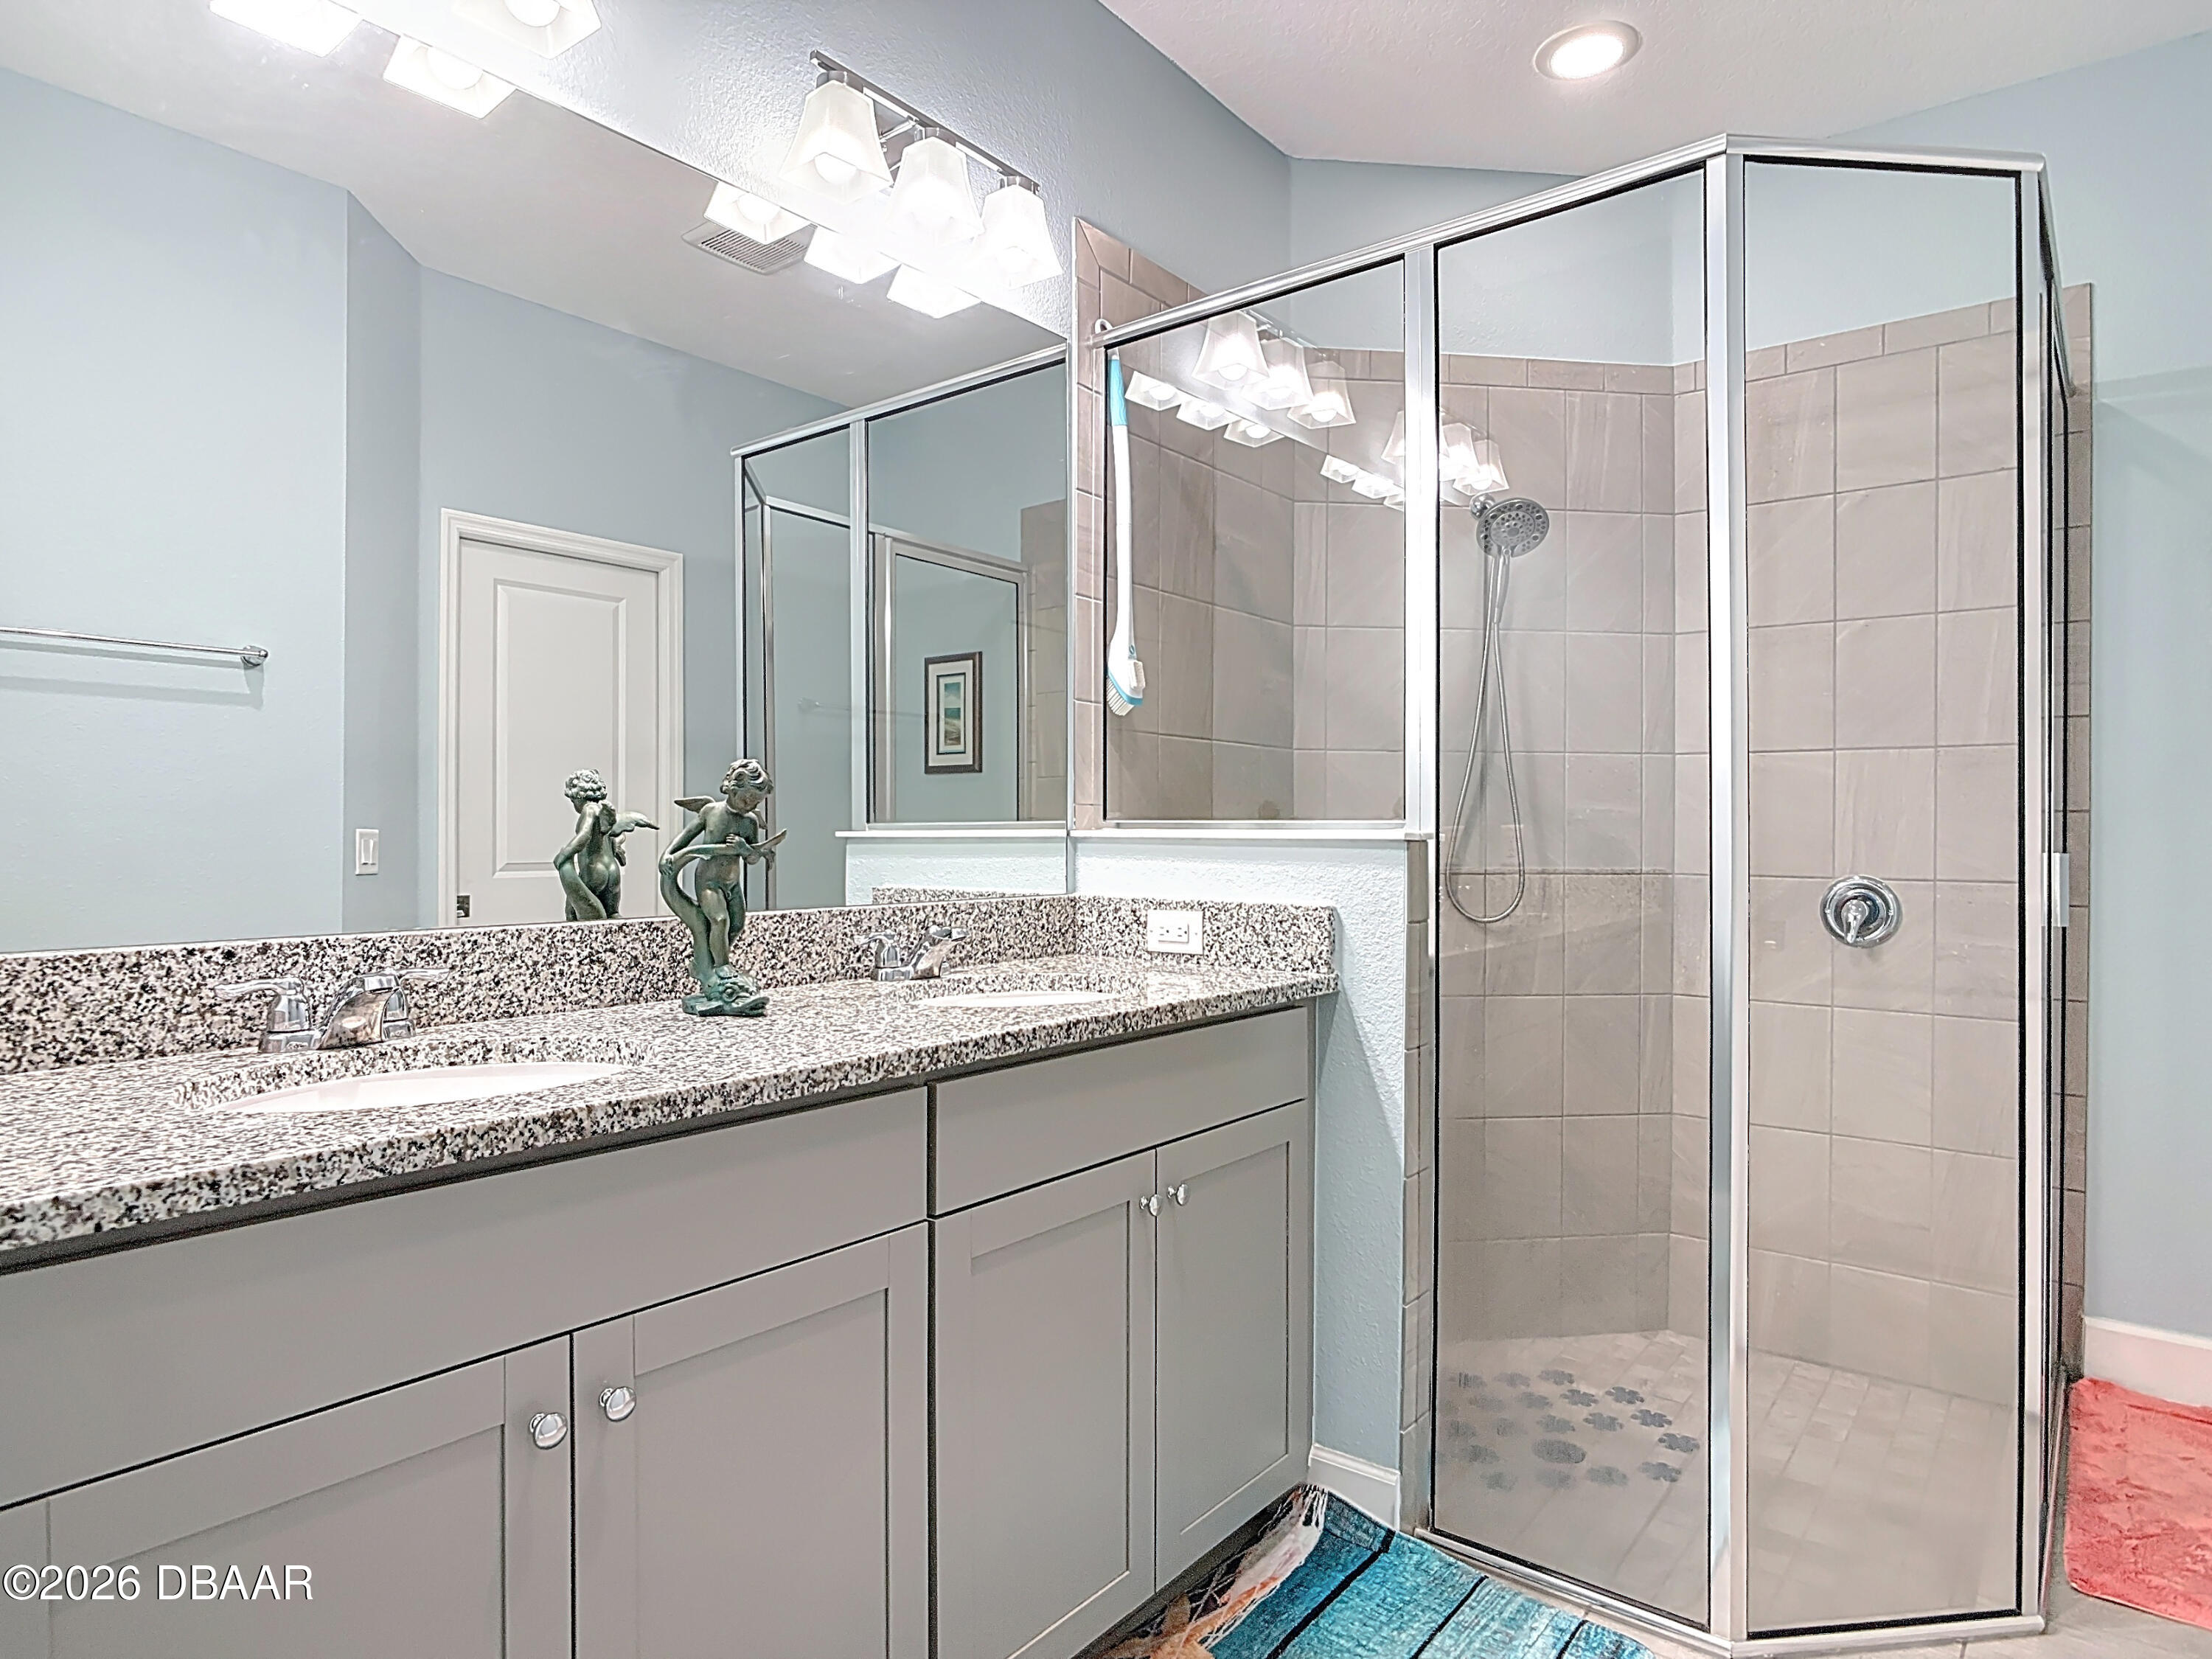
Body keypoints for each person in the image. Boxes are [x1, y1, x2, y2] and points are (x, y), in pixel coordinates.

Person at [658, 759, 779, 1015]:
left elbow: (753, 857)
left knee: (736, 925)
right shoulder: (711, 812)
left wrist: (745, 849)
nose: (751, 806)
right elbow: (684, 839)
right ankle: (721, 966)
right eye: (747, 799)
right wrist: (668, 856)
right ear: (732, 789)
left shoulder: (750, 823)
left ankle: (709, 963)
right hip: (709, 882)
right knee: (720, 920)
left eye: (756, 803)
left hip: (733, 883)